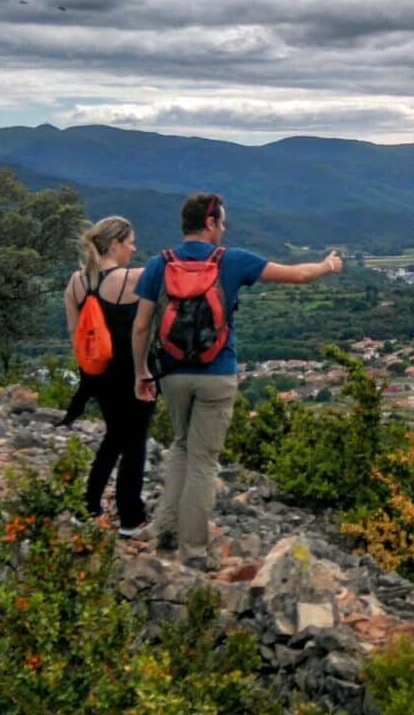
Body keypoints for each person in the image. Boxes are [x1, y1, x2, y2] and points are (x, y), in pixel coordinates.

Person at [132, 193, 342, 569]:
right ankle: (193, 553)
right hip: (217, 374)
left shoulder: (157, 265)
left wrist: (141, 372)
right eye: (222, 222)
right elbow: (298, 275)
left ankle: (164, 535)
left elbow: (142, 326)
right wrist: (327, 265)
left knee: (181, 447)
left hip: (173, 374)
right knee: (203, 462)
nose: (224, 228)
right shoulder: (232, 261)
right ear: (210, 223)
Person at [63, 216, 155, 537]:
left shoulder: (76, 282)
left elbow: (76, 335)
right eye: (130, 242)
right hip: (132, 372)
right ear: (115, 244)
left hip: (97, 375)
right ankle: (131, 517)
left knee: (114, 435)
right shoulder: (133, 278)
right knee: (135, 442)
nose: (134, 248)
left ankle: (88, 505)